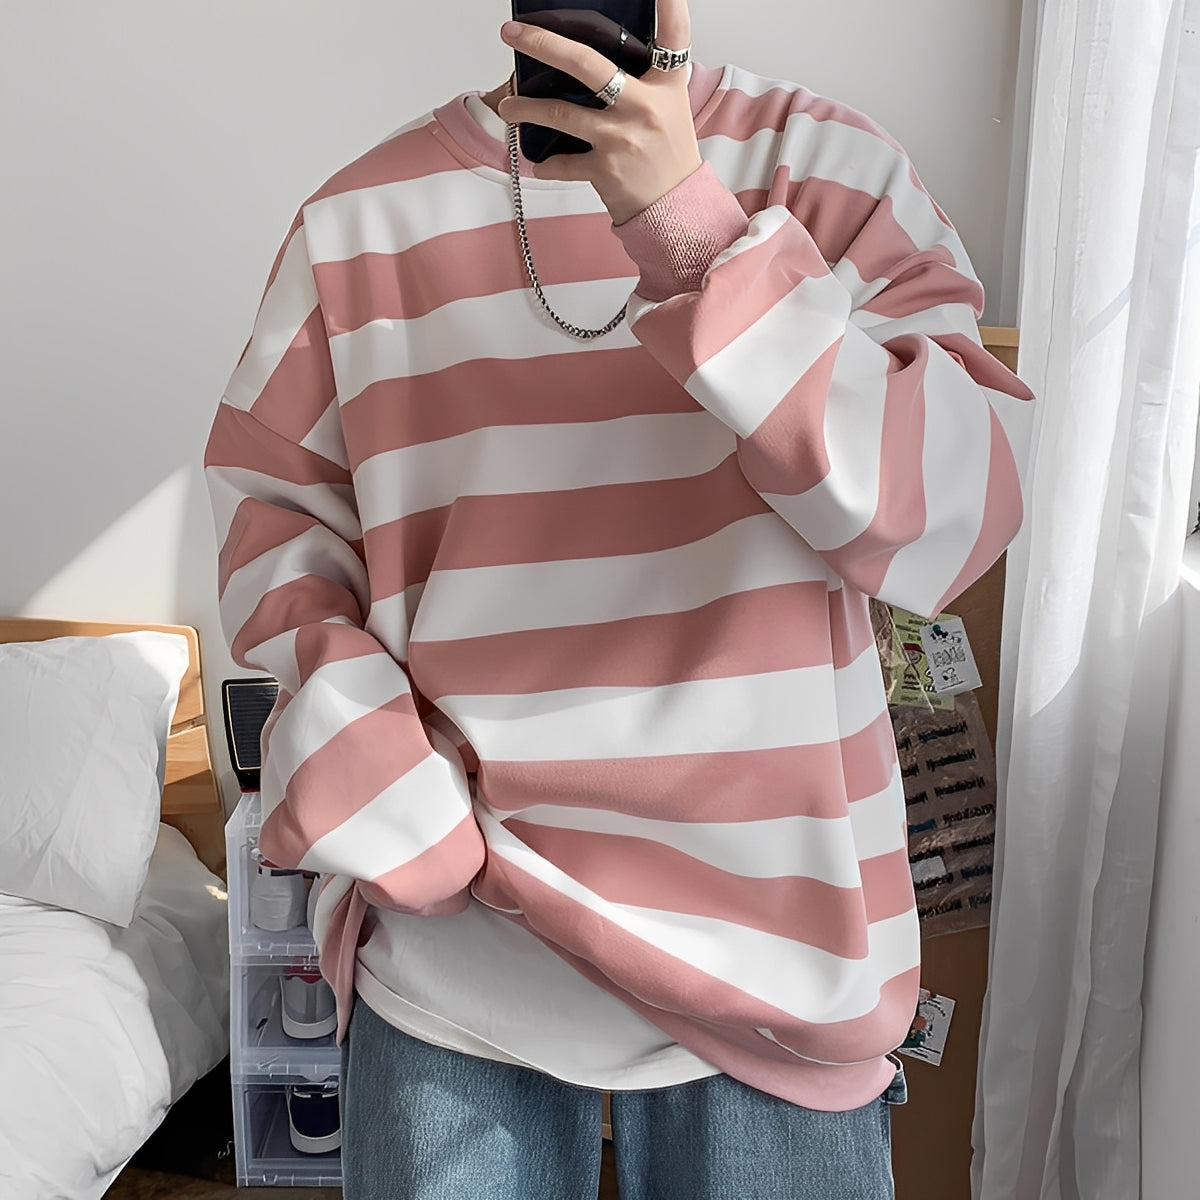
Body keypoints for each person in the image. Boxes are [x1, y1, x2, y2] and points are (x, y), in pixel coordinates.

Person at [205, 2, 1034, 1196]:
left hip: (779, 967)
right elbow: (275, 527)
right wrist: (373, 767)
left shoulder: (829, 173)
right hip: (458, 958)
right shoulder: (358, 225)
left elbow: (958, 512)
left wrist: (695, 233)